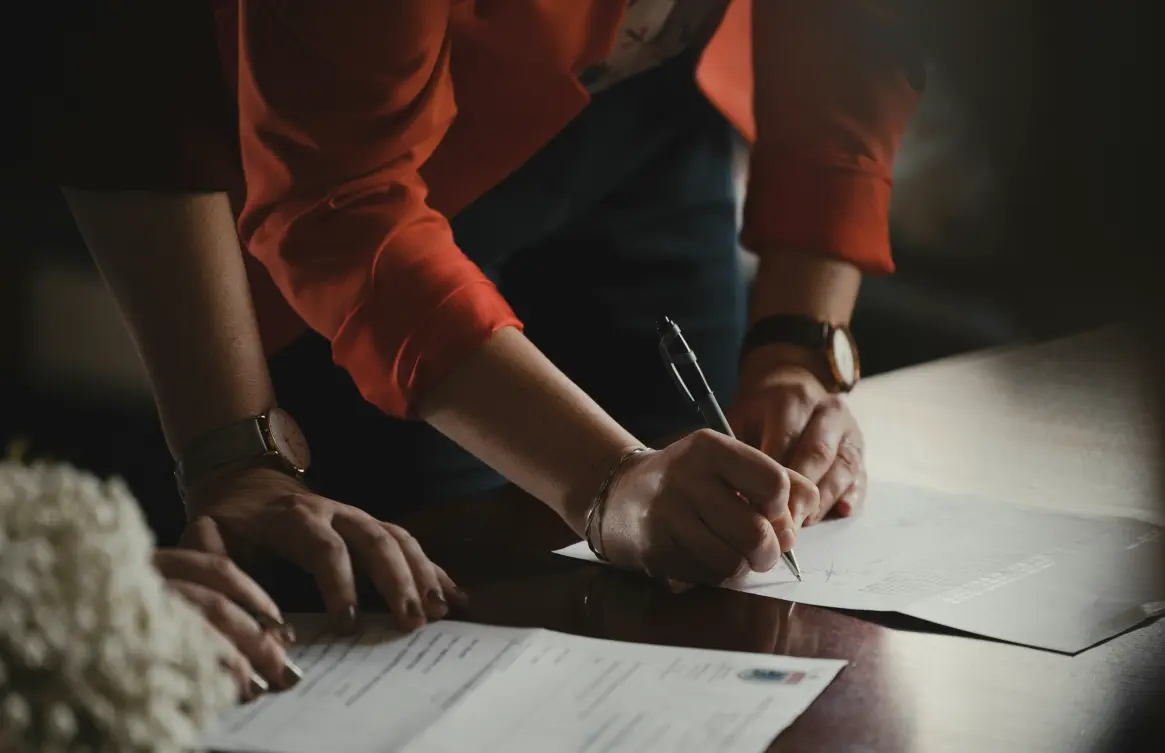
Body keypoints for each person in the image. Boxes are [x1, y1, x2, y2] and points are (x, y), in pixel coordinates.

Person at [32, 0, 920, 629]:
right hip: (363, 154)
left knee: (705, 552)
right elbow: (342, 201)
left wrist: (795, 347)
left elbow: (857, 35)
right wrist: (604, 477)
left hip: (649, 103)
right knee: (434, 603)